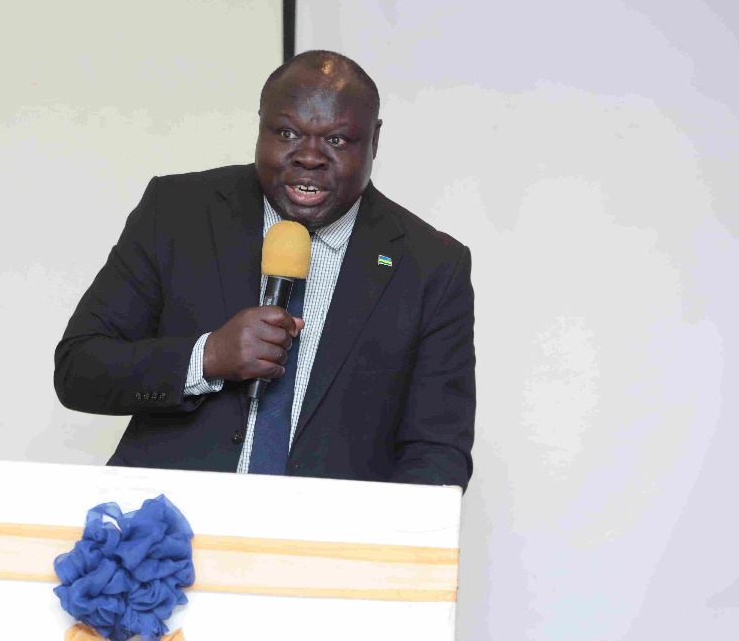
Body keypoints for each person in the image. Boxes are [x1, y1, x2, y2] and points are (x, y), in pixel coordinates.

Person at [54, 51, 475, 489]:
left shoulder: (431, 265)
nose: (309, 157)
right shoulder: (178, 212)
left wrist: (373, 531)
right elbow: (78, 371)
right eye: (287, 133)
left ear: (374, 140)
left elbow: (438, 450)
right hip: (164, 519)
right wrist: (207, 357)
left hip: (329, 529)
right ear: (260, 126)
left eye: (337, 140)